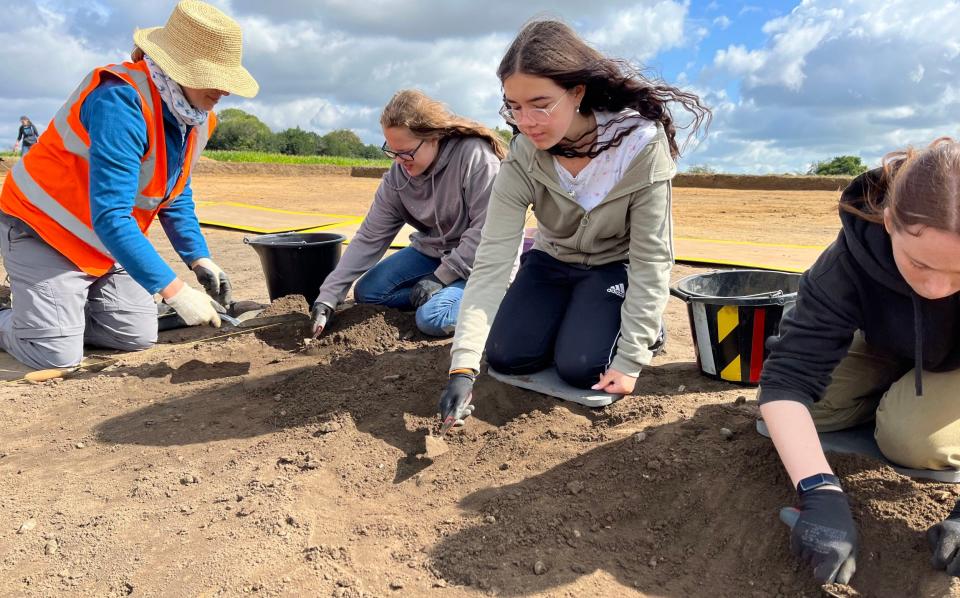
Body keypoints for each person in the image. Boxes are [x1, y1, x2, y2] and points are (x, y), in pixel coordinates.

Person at [436, 20, 710, 425]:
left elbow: (653, 259)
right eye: (514, 106)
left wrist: (631, 360)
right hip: (552, 262)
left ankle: (644, 331)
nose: (525, 121)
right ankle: (578, 318)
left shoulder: (640, 146)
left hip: (612, 268)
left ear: (577, 92)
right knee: (507, 356)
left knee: (583, 367)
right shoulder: (523, 155)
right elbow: (493, 258)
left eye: (540, 103)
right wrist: (462, 368)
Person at [0, 0, 258, 370]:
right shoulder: (120, 100)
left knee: (135, 335)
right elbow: (111, 215)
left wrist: (198, 257)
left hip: (101, 243)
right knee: (55, 356)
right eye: (215, 77)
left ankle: (57, 316)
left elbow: (175, 192)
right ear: (177, 66)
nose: (225, 91)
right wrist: (175, 291)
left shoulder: (197, 118)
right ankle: (23, 322)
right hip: (42, 230)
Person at [758, 138, 960, 584]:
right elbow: (787, 377)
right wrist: (819, 492)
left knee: (911, 440)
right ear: (889, 223)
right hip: (889, 343)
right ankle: (900, 387)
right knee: (809, 412)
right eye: (920, 263)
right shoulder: (851, 256)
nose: (938, 288)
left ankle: (917, 407)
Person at [310, 89, 506, 338]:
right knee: (369, 293)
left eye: (406, 152)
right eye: (392, 152)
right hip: (435, 254)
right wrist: (328, 296)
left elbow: (487, 231)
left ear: (434, 137)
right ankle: (447, 295)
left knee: (434, 318)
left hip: (483, 260)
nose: (400, 161)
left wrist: (441, 277)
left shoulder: (474, 157)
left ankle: (491, 298)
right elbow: (370, 236)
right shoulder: (398, 176)